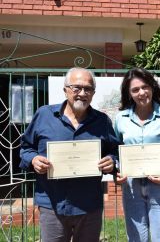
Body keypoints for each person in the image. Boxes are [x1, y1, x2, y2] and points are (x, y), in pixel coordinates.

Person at [19, 67, 119, 242]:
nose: (82, 93)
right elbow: (25, 148)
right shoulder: (44, 115)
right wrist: (34, 159)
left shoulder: (102, 121)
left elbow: (115, 151)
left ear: (93, 93)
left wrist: (111, 161)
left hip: (89, 206)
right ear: (65, 90)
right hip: (52, 205)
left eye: (88, 89)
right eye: (77, 88)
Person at [114, 68, 160, 242]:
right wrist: (117, 170)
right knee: (137, 238)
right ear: (129, 93)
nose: (141, 93)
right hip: (132, 189)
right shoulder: (120, 119)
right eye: (135, 89)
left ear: (152, 88)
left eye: (145, 87)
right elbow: (115, 150)